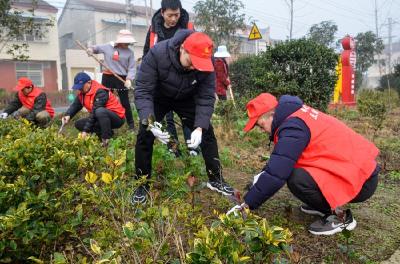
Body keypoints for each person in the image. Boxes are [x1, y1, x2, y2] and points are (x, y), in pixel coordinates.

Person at [227, 93, 380, 236]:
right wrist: (258, 180)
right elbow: (279, 162)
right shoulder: (296, 116)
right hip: (359, 170)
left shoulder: (292, 127)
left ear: (272, 115)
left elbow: (277, 174)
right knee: (294, 169)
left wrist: (246, 206)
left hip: (362, 180)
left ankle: (340, 218)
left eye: (261, 125)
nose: (262, 131)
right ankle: (322, 205)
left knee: (296, 178)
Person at [131, 30, 234, 204]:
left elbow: (206, 96)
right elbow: (142, 90)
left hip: (186, 97)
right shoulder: (157, 54)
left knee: (207, 131)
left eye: (198, 64)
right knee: (145, 133)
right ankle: (142, 184)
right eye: (191, 62)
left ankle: (216, 178)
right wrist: (150, 122)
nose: (194, 67)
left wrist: (200, 127)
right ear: (182, 49)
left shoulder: (206, 60)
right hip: (159, 97)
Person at [143, 0, 197, 156]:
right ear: (162, 12)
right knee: (168, 119)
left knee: (188, 117)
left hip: (186, 82)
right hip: (163, 84)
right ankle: (173, 148)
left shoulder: (188, 28)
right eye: (170, 15)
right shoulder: (153, 31)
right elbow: (147, 54)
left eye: (177, 14)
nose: (174, 19)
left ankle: (192, 147)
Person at [87, 29, 136, 130]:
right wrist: (91, 50)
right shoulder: (108, 47)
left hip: (121, 78)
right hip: (107, 77)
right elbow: (95, 48)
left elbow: (132, 68)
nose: (128, 44)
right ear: (120, 40)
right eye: (126, 42)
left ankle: (131, 125)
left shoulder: (130, 53)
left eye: (129, 42)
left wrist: (129, 79)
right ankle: (103, 124)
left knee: (125, 102)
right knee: (103, 101)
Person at [62, 72, 126, 147]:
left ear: (89, 82)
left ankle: (106, 139)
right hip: (101, 117)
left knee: (99, 111)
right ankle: (107, 134)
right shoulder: (82, 93)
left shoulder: (100, 91)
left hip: (117, 118)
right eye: (78, 87)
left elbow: (94, 113)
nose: (79, 89)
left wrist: (85, 131)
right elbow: (75, 105)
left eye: (81, 86)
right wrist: (68, 115)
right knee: (79, 124)